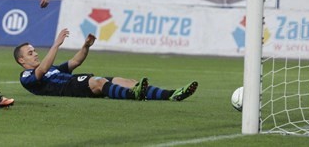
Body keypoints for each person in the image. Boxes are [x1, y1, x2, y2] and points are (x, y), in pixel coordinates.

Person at [14, 28, 198, 102]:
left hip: (74, 81)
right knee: (98, 82)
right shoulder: (26, 77)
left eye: (34, 50)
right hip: (68, 88)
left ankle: (171, 94)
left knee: (126, 80)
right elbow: (42, 70)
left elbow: (75, 61)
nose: (35, 53)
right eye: (30, 53)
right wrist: (55, 44)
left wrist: (85, 47)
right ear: (22, 61)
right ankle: (132, 95)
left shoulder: (52, 69)